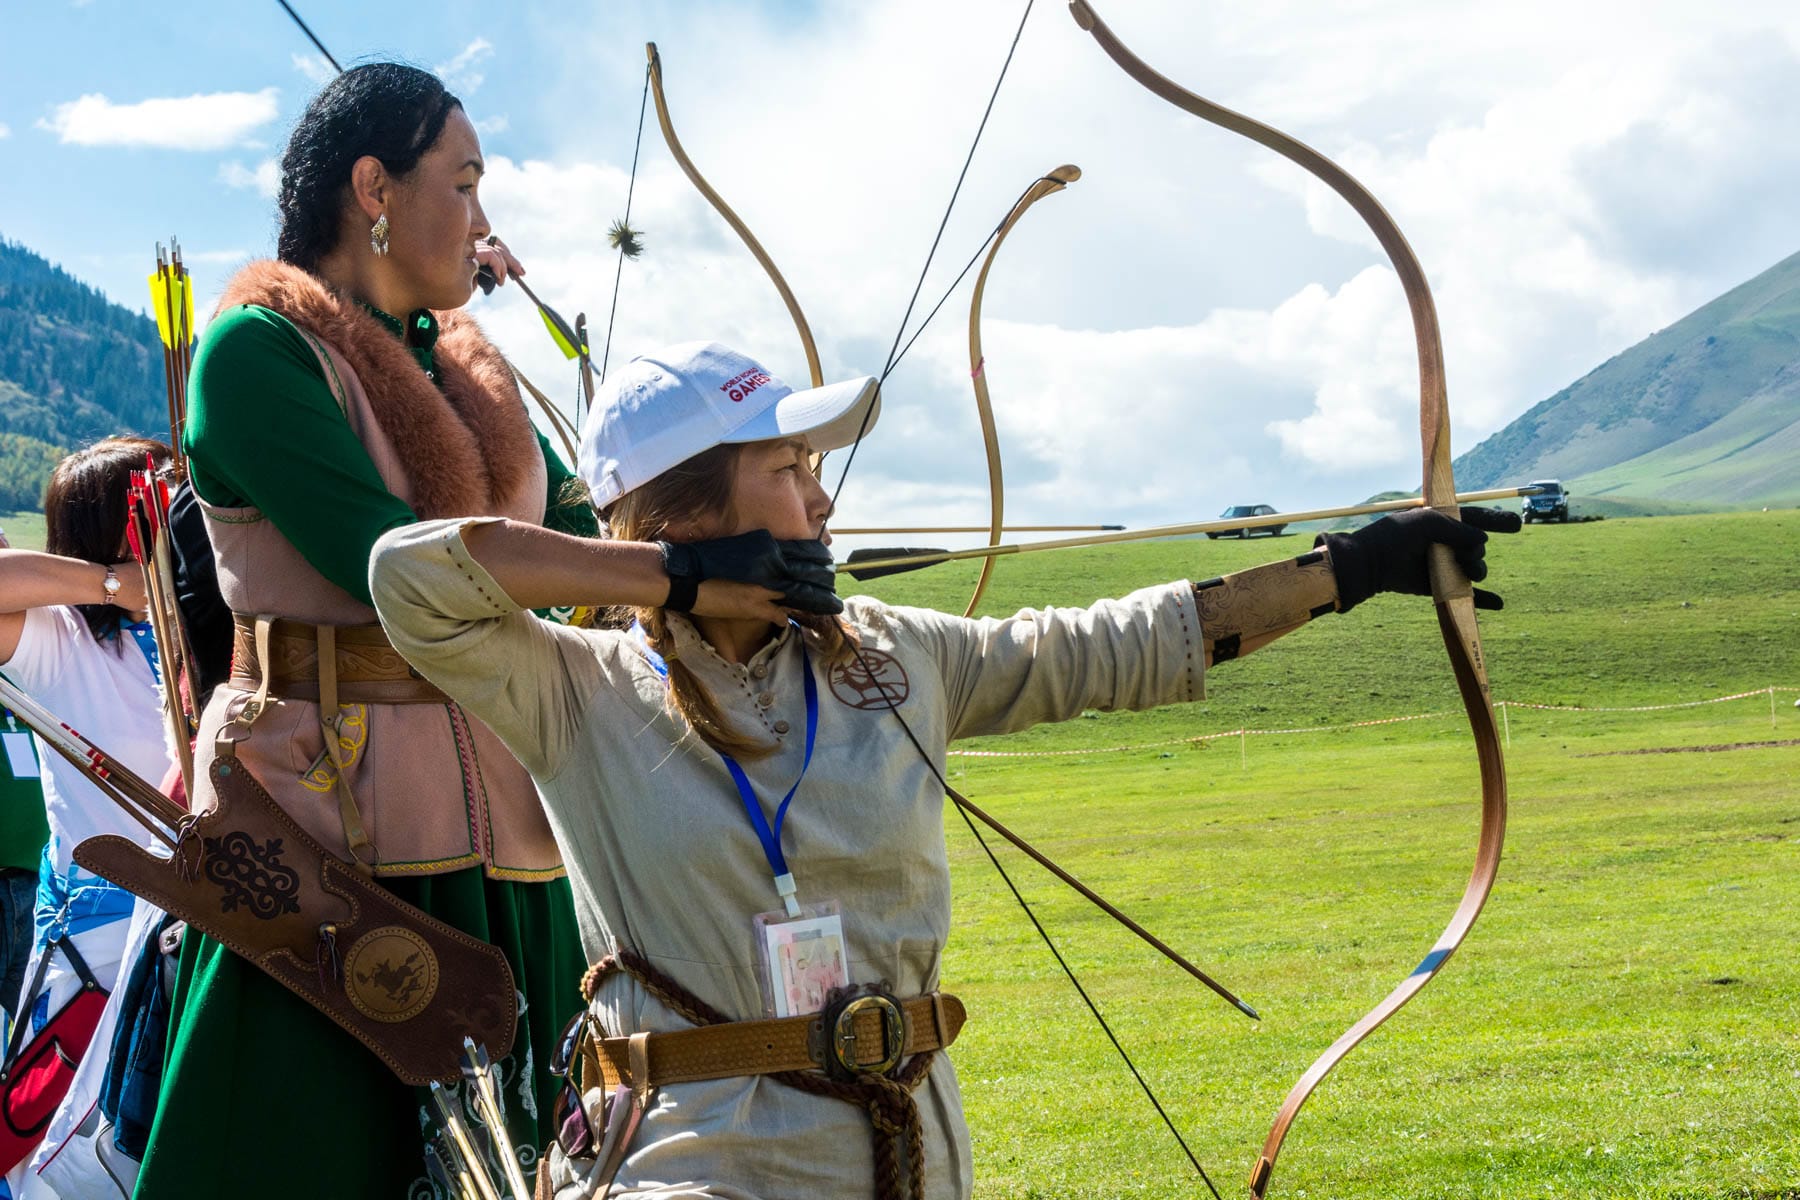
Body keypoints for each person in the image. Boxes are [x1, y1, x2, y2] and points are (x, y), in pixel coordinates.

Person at [369, 340, 1519, 1199]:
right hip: (694, 1169)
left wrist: (1354, 568)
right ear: (693, 503)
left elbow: (1123, 645)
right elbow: (409, 574)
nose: (821, 497)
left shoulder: (892, 656)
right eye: (786, 468)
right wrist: (674, 580)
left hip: (904, 1152)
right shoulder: (575, 689)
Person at [132, 63, 594, 1198]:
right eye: (466, 183)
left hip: (512, 843)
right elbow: (398, 568)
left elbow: (591, 537)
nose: (484, 222)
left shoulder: (475, 371)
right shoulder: (255, 352)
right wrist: (677, 573)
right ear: (373, 188)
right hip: (329, 848)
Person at [0, 439, 175, 1196]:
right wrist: (113, 587)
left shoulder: (197, 634)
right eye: (163, 501)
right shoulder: (56, 640)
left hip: (207, 932)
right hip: (99, 956)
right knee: (78, 1173)